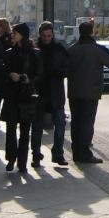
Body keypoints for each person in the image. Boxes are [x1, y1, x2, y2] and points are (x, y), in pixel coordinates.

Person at [66, 21, 109, 164]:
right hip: (91, 92)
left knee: (76, 122)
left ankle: (76, 153)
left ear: (79, 32)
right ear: (91, 32)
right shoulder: (96, 49)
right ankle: (85, 154)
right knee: (87, 123)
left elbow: (64, 69)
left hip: (74, 92)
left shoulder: (72, 49)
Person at [0, 24, 40, 173]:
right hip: (12, 95)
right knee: (11, 129)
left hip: (27, 95)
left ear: (23, 35)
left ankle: (22, 162)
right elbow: (3, 71)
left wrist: (27, 79)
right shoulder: (9, 53)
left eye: (15, 33)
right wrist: (9, 75)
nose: (12, 35)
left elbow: (39, 74)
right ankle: (11, 158)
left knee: (25, 130)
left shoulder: (34, 54)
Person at [36, 21, 69, 166]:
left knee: (60, 124)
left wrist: (58, 72)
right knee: (37, 126)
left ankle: (58, 154)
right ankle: (36, 154)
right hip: (40, 92)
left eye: (48, 36)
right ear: (40, 35)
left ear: (52, 35)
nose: (46, 38)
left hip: (56, 92)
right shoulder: (35, 48)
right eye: (44, 36)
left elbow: (68, 68)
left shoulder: (59, 49)